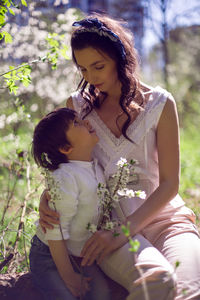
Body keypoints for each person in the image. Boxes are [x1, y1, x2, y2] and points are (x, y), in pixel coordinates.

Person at [39, 14, 200, 300]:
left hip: (167, 221)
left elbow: (169, 184)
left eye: (99, 66)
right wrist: (46, 198)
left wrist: (124, 232)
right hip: (105, 227)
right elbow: (67, 166)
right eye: (84, 69)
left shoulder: (161, 103)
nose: (91, 77)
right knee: (157, 283)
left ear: (120, 56)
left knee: (189, 292)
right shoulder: (77, 108)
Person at [29, 108, 111, 300]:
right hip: (49, 253)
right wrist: (69, 277)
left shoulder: (94, 166)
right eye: (77, 123)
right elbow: (54, 232)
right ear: (65, 148)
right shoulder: (65, 177)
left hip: (77, 253)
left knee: (101, 294)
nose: (87, 123)